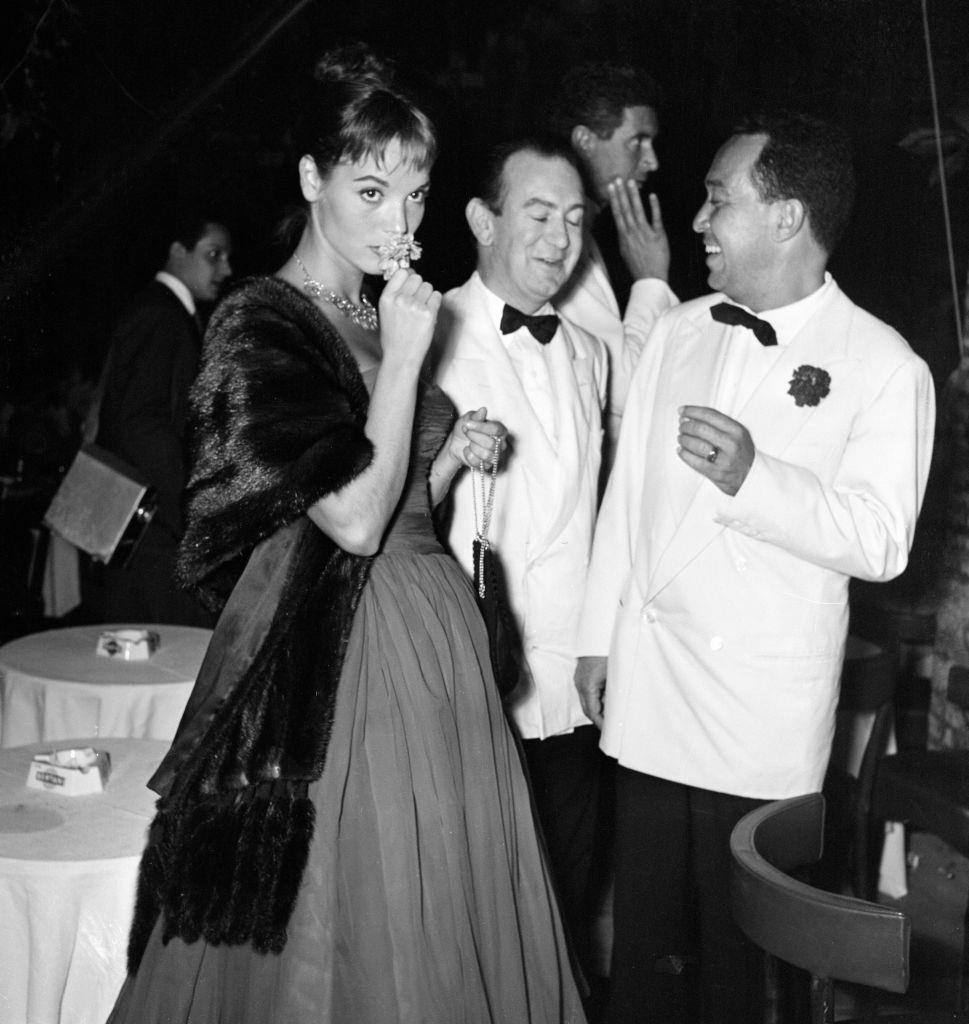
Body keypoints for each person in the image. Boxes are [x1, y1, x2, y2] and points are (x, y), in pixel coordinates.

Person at [107, 46, 586, 1024]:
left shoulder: (370, 309)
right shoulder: (260, 322)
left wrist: (450, 457)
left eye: (414, 195)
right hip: (339, 661)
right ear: (311, 179)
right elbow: (354, 520)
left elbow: (400, 491)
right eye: (370, 190)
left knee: (444, 914)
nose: (399, 223)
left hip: (431, 640)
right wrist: (411, 359)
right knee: (360, 933)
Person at [575, 112, 936, 1024]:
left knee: (739, 970)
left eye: (715, 200)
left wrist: (754, 478)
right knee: (642, 951)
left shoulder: (884, 364)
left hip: (755, 715)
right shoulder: (679, 331)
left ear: (785, 218)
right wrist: (596, 638)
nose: (697, 222)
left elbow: (881, 539)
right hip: (651, 689)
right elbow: (626, 500)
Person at [435, 137, 606, 972]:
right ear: (481, 219)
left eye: (575, 219)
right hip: (472, 675)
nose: (559, 238)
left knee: (566, 901)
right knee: (475, 908)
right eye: (537, 214)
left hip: (572, 684)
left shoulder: (588, 353)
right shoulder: (426, 338)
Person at [94, 210, 233, 624]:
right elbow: (142, 424)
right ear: (178, 251)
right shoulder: (161, 315)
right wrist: (190, 513)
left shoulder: (166, 313)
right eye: (214, 254)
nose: (226, 267)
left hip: (147, 527)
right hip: (152, 531)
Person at [549, 63, 677, 469]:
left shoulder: (586, 233)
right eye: (636, 142)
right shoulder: (558, 242)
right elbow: (624, 389)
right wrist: (652, 280)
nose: (651, 161)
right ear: (584, 140)